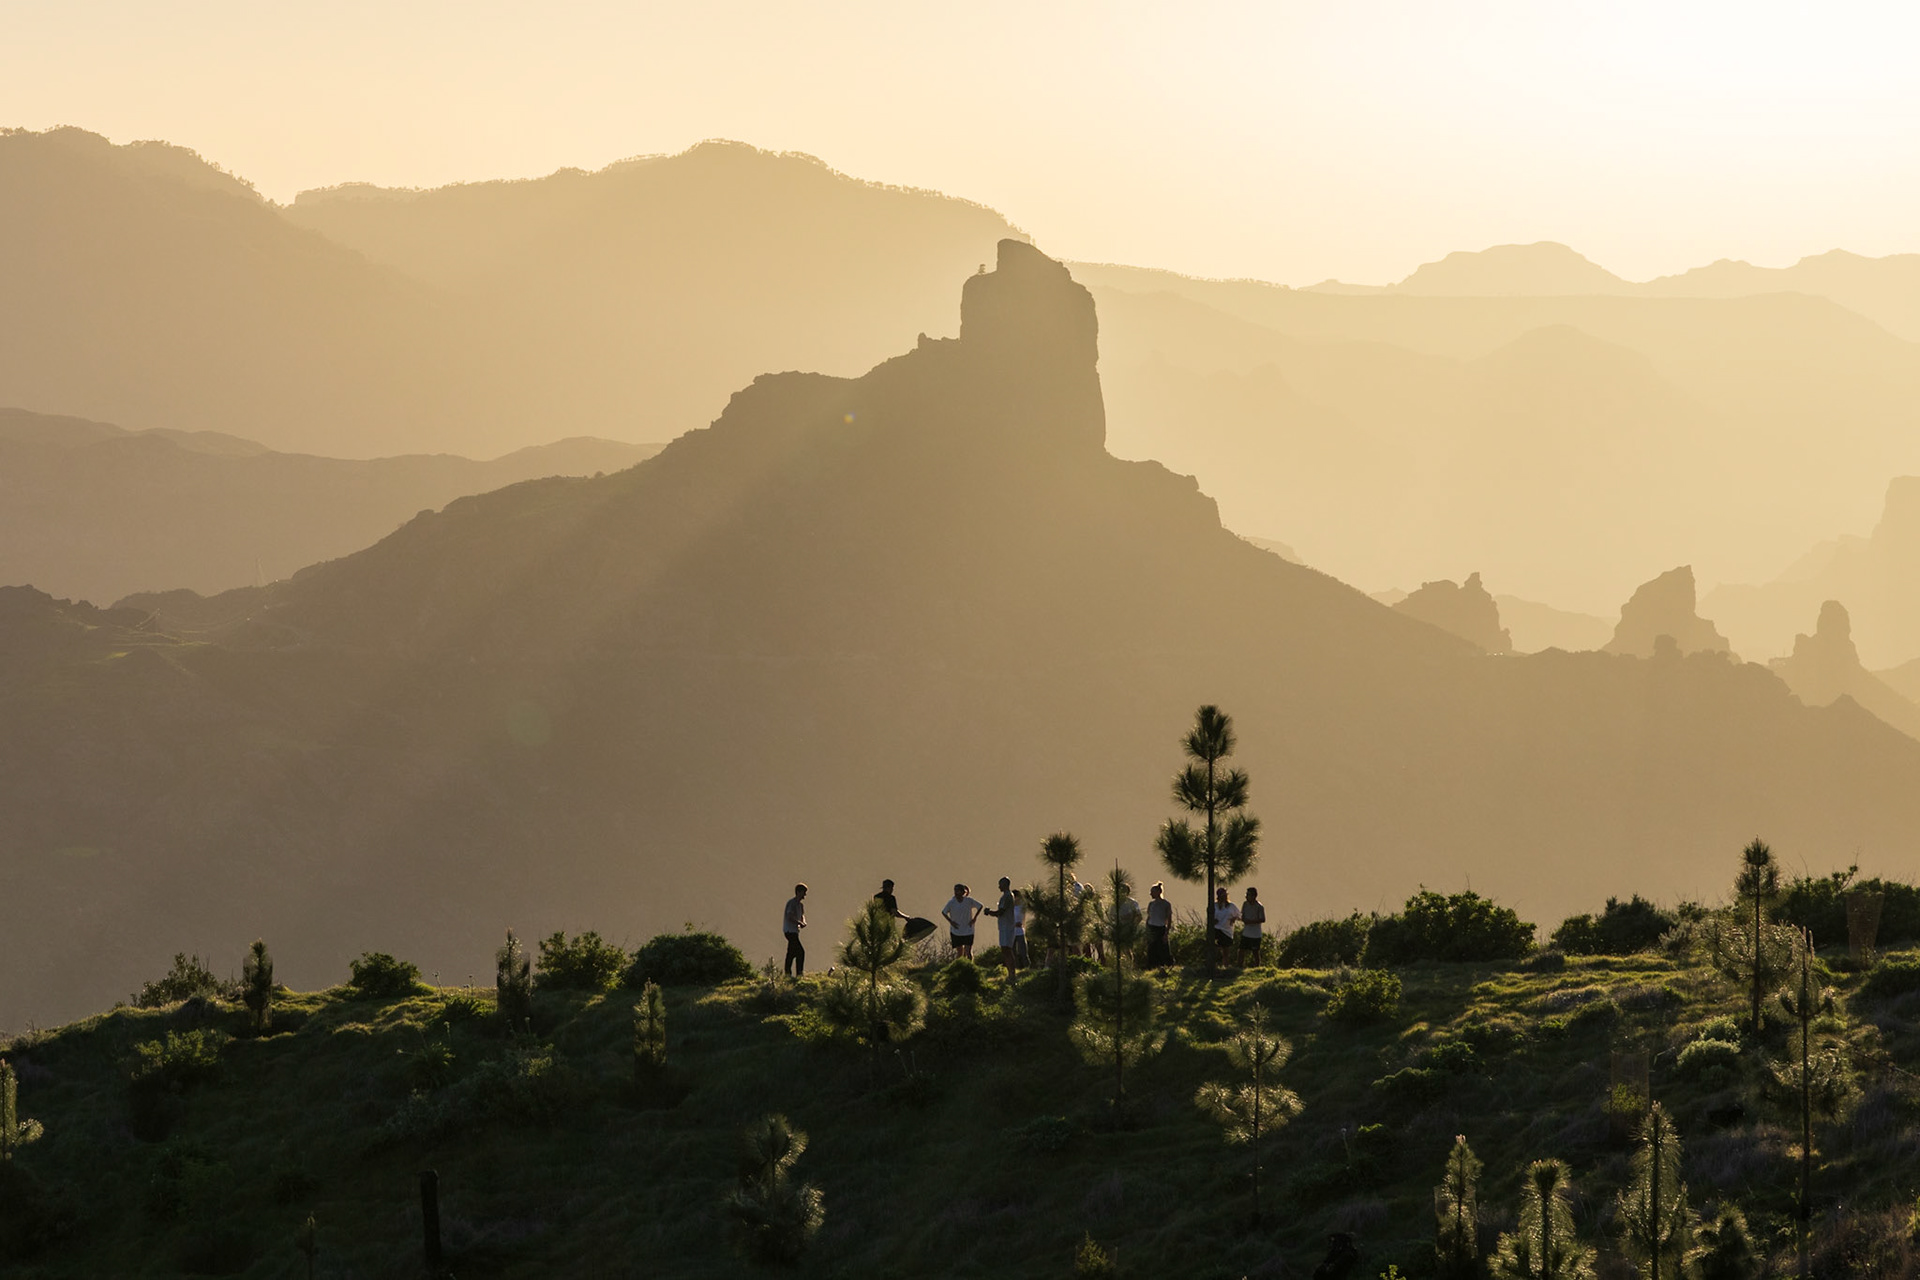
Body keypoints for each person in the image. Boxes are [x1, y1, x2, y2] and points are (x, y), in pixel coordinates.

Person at [985, 876, 1018, 974]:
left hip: (1007, 926)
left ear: (1005, 885)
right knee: (1005, 950)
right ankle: (1010, 972)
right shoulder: (1006, 896)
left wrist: (989, 912)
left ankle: (1012, 973)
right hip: (1005, 926)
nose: (999, 887)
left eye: (1000, 885)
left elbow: (1001, 912)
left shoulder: (1007, 896)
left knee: (1007, 950)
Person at [942, 883, 984, 958]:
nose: (956, 893)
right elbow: (944, 912)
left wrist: (974, 918)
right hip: (956, 931)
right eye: (955, 891)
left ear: (962, 892)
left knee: (968, 952)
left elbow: (980, 906)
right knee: (960, 952)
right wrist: (951, 922)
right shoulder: (951, 902)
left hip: (968, 930)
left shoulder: (969, 901)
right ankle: (960, 964)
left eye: (958, 891)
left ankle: (969, 964)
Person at [1145, 882, 1174, 968]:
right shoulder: (1151, 904)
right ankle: (1152, 966)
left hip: (1160, 928)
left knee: (1162, 949)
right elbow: (1149, 916)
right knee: (1151, 949)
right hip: (1151, 928)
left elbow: (1169, 919)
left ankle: (1166, 965)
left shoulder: (1166, 904)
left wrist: (1166, 933)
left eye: (1152, 892)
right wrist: (1147, 929)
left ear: (1158, 892)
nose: (1151, 894)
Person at [782, 883, 809, 977]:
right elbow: (789, 916)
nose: (805, 895)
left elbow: (802, 916)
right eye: (804, 892)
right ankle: (799, 973)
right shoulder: (792, 903)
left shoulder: (800, 905)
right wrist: (799, 923)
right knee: (800, 952)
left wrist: (803, 922)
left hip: (795, 931)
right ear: (798, 892)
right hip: (789, 931)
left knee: (791, 952)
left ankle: (788, 973)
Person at [1210, 886, 1240, 968]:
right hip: (1217, 929)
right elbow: (1209, 916)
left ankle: (1225, 966)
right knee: (1215, 949)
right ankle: (1214, 966)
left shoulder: (1231, 906)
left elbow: (1240, 916)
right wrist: (1212, 920)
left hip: (1227, 931)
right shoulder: (1214, 905)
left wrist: (1234, 918)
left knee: (1226, 951)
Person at [1239, 886, 1267, 970]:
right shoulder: (1245, 904)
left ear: (1254, 896)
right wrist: (1243, 920)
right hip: (1246, 932)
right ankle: (1239, 966)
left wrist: (1251, 922)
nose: (1247, 897)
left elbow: (1263, 919)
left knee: (1255, 952)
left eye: (1248, 895)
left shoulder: (1259, 906)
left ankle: (1257, 968)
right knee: (1241, 950)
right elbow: (1242, 915)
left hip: (1255, 934)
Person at [1011, 889, 1030, 971]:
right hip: (1012, 931)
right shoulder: (1010, 907)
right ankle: (1014, 968)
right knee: (1012, 951)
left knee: (1023, 951)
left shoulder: (1021, 907)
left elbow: (1023, 918)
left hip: (1020, 931)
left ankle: (1026, 967)